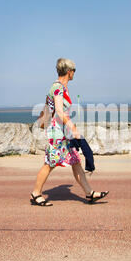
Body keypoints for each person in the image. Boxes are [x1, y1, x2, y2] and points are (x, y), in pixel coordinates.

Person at [30, 58, 109, 206]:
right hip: (58, 133)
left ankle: (89, 193)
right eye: (74, 71)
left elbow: (53, 109)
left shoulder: (60, 88)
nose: (74, 73)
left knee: (75, 160)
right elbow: (59, 112)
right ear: (69, 71)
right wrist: (73, 129)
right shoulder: (58, 88)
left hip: (64, 132)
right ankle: (36, 193)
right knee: (50, 163)